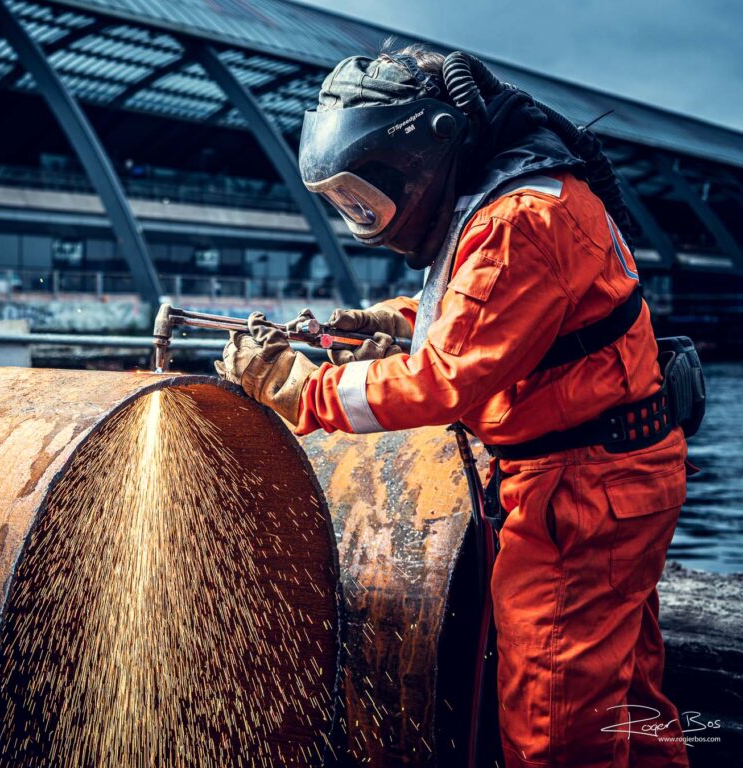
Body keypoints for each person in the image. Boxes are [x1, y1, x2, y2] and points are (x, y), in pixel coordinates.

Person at [215, 46, 697, 768]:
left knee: (554, 731)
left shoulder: (517, 223)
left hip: (579, 496)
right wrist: (390, 322)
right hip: (613, 480)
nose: (363, 214)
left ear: (428, 152)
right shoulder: (520, 196)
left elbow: (442, 382)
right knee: (628, 710)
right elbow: (506, 316)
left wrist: (296, 386)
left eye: (366, 195)